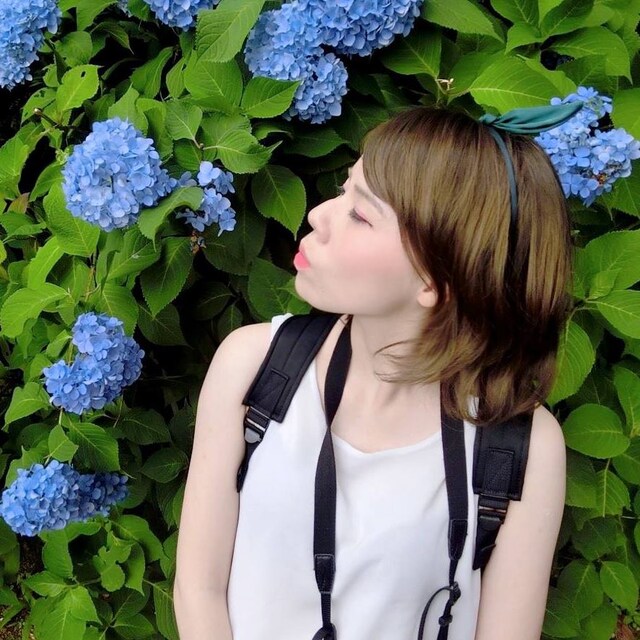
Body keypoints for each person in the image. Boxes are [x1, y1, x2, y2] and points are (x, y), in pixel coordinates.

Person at [173, 105, 573, 640]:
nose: (318, 215)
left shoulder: (521, 444)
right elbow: (198, 588)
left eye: (361, 215)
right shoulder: (254, 368)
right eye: (343, 190)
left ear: (434, 281)